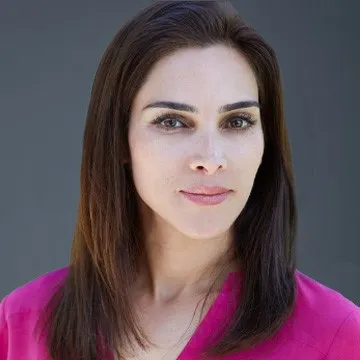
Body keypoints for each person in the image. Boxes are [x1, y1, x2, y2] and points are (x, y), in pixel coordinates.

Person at [1, 1, 359, 359]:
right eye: (172, 121)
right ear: (119, 138)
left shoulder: (335, 335)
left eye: (237, 122)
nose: (210, 160)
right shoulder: (20, 324)